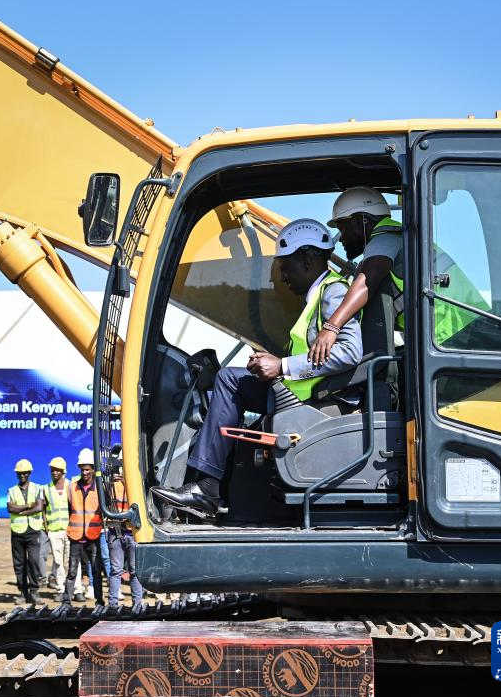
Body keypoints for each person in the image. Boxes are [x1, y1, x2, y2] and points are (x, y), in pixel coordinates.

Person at [153, 218, 363, 517]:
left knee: (228, 380)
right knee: (230, 379)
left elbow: (350, 351)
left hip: (312, 398)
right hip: (303, 391)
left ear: (307, 258)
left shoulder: (333, 292)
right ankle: (209, 487)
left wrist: (282, 365)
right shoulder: (318, 296)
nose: (281, 274)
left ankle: (208, 488)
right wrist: (271, 362)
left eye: (285, 265)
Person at [309, 186, 487, 364]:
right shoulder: (399, 238)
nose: (341, 238)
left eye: (343, 228)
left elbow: (366, 283)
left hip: (459, 333)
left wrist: (331, 327)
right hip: (463, 331)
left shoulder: (386, 238)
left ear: (361, 220)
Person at [63, 449, 105, 607]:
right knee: (72, 570)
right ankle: (66, 601)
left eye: (87, 469)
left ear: (93, 469)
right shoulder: (72, 487)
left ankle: (99, 601)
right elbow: (70, 509)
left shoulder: (99, 489)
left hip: (93, 536)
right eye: (82, 469)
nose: (85, 472)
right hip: (75, 536)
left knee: (96, 571)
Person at [106, 447, 144, 610]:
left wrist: (125, 482)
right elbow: (105, 503)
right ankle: (113, 604)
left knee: (135, 571)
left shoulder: (138, 484)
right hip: (116, 532)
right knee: (116, 570)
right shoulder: (110, 485)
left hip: (133, 533)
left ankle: (137, 603)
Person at [7, 459, 45, 606]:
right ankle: (23, 592)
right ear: (17, 474)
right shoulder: (11, 490)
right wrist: (29, 505)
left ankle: (34, 591)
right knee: (19, 563)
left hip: (33, 530)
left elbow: (39, 508)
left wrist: (21, 510)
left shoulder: (37, 488)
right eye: (20, 473)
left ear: (29, 473)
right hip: (17, 531)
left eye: (25, 473)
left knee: (34, 561)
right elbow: (11, 508)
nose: (22, 475)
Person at [42, 456, 70, 593]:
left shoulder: (70, 486)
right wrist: (47, 529)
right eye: (52, 470)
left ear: (63, 471)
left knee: (69, 560)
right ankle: (61, 587)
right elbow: (43, 509)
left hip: (69, 530)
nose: (54, 473)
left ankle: (74, 588)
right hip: (54, 531)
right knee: (58, 562)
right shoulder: (46, 488)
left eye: (57, 470)